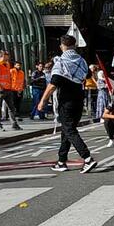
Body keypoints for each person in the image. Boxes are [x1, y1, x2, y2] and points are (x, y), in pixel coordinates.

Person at [36, 35, 97, 173]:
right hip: (79, 100)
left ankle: (87, 158)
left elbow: (53, 84)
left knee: (69, 130)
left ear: (62, 46)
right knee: (66, 131)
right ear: (75, 45)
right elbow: (87, 76)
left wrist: (43, 101)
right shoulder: (81, 61)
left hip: (66, 101)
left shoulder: (61, 62)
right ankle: (61, 161)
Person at [0, 55, 24, 131]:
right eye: (6, 57)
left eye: (8, 57)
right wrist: (0, 86)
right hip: (0, 89)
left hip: (8, 89)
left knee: (11, 107)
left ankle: (14, 124)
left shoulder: (8, 65)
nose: (8, 58)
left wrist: (19, 89)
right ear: (2, 56)